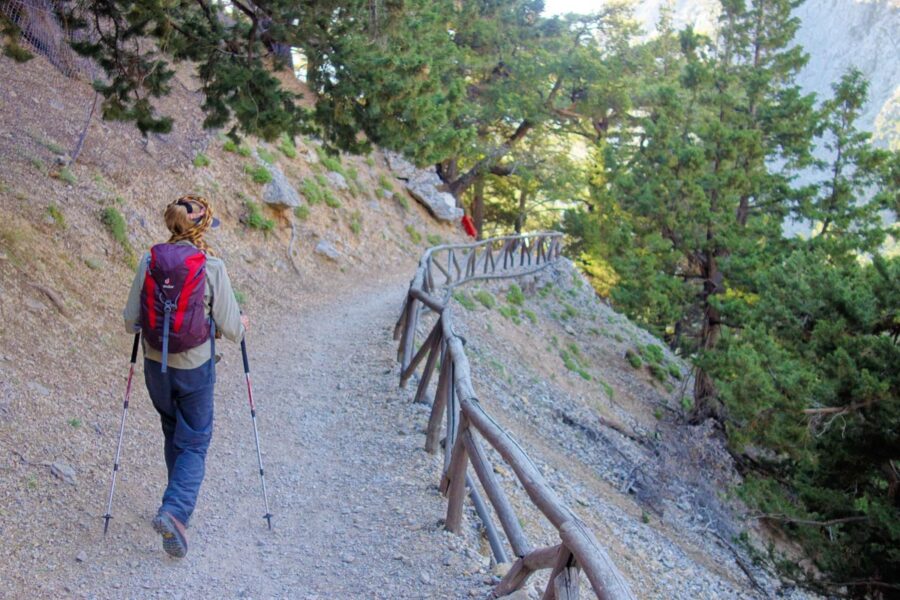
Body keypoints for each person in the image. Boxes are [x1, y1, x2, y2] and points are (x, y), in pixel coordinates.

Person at [123, 195, 248, 558]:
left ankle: (173, 507)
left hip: (154, 366)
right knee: (194, 440)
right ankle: (175, 512)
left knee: (173, 430)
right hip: (195, 367)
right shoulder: (211, 266)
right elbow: (230, 326)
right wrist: (241, 325)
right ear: (201, 227)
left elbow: (131, 319)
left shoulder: (150, 259)